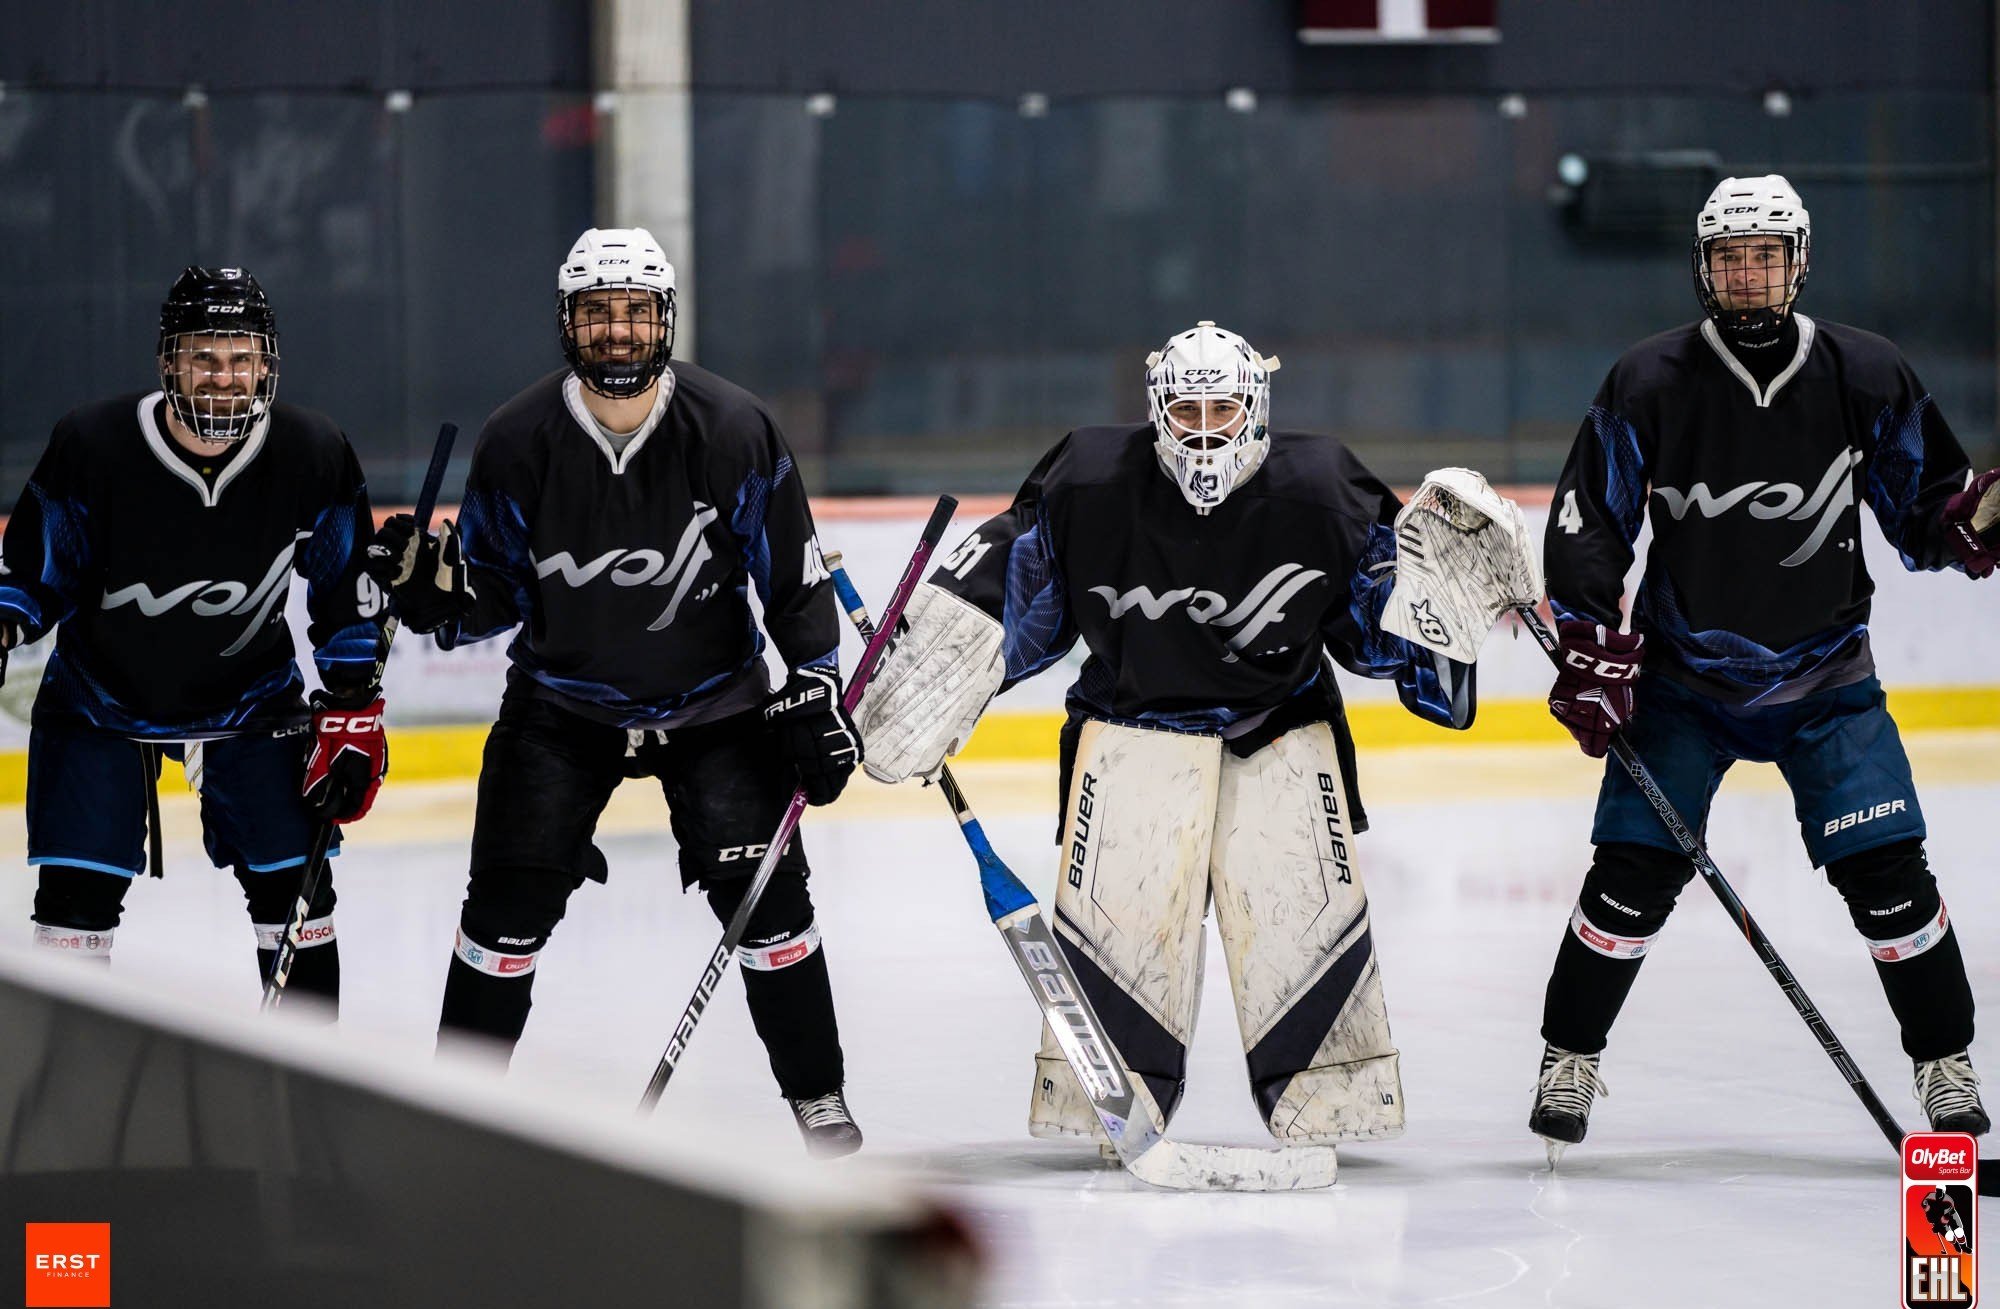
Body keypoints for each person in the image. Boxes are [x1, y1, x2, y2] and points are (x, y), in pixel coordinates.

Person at [852, 322, 1530, 1154]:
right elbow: (1017, 589)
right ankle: (1114, 1091)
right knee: (1120, 943)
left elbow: (1381, 638)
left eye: (1223, 408)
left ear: (1259, 409)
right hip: (1131, 734)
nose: (1205, 430)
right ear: (1154, 411)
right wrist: (932, 661)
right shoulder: (1090, 480)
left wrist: (1447, 622)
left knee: (1305, 935)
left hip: (1279, 735)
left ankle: (1329, 1097)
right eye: (1186, 409)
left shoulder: (1322, 489)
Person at [364, 227, 865, 1157]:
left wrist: (817, 686)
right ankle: (457, 1107)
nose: (619, 332)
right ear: (568, 322)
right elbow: (493, 596)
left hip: (715, 705)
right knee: (501, 912)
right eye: (598, 313)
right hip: (562, 708)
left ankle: (818, 1096)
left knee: (770, 902)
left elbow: (793, 582)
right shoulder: (518, 441)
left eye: (635, 312)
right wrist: (435, 593)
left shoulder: (733, 428)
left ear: (663, 318)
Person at [1530, 175, 1995, 1160]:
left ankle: (1943, 1063)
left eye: (1766, 256)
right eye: (1730, 257)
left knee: (1889, 882)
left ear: (1797, 262)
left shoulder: (1862, 372)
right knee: (1626, 879)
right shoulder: (1645, 381)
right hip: (1681, 684)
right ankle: (1567, 1055)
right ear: (1703, 268)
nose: (1748, 276)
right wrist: (1585, 637)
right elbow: (1590, 525)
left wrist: (1968, 523)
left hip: (1825, 680)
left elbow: (1926, 514)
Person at [0, 267, 389, 1007]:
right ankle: (70, 1104)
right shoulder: (93, 443)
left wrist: (352, 699)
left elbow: (343, 593)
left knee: (300, 899)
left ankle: (298, 1100)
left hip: (251, 701)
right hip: (98, 699)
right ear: (168, 361)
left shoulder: (312, 450)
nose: (223, 377)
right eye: (204, 357)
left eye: (241, 359)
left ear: (266, 365)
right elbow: (34, 572)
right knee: (73, 908)